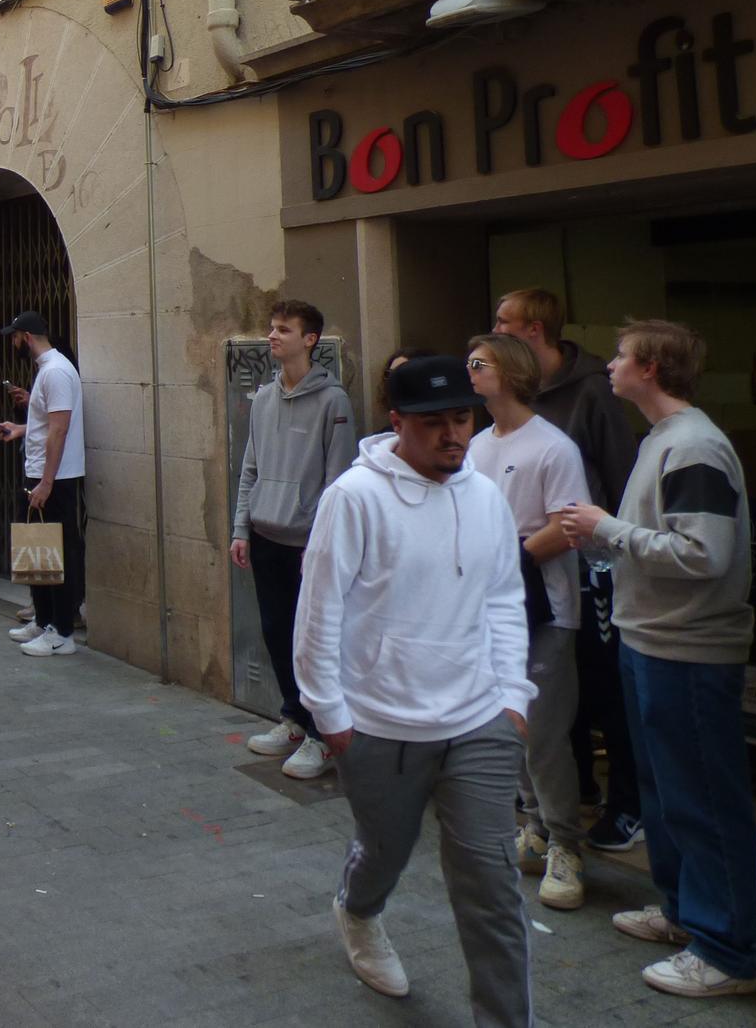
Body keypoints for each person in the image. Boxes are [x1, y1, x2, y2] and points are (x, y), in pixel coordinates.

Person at [295, 356, 534, 1026]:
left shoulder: (484, 494)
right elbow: (319, 614)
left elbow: (504, 600)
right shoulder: (355, 498)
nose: (454, 434)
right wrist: (333, 719)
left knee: (493, 889)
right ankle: (358, 912)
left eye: (462, 418)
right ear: (397, 422)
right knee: (385, 852)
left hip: (480, 722)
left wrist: (512, 697)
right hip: (378, 728)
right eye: (434, 423)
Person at [561, 320, 756, 1000]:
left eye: (620, 355)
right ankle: (684, 915)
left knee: (702, 799)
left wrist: (606, 529)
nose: (610, 365)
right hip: (652, 642)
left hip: (690, 651)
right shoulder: (662, 441)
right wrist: (600, 541)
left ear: (649, 367)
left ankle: (725, 951)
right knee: (668, 793)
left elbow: (706, 554)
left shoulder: (695, 447)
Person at [494, 287, 641, 851]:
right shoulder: (513, 400)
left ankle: (628, 805)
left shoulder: (590, 394)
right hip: (534, 579)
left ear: (534, 331)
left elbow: (621, 476)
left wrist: (611, 547)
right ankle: (574, 794)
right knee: (554, 703)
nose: (495, 330)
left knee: (607, 690)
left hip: (590, 568)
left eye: (504, 322)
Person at [465, 332, 591, 911]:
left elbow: (568, 525)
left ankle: (567, 844)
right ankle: (533, 825)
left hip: (544, 608)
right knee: (505, 723)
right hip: (489, 604)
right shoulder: (476, 444)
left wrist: (508, 559)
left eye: (480, 362)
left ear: (511, 372)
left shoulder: (552, 446)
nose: (469, 370)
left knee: (542, 732)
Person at [230, 300, 356, 779]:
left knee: (315, 641)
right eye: (271, 328)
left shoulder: (333, 401)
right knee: (275, 631)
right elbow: (250, 469)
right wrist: (241, 529)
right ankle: (295, 718)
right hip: (265, 536)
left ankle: (325, 736)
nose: (272, 336)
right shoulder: (262, 398)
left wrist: (321, 543)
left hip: (308, 544)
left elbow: (337, 480)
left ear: (310, 340)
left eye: (284, 329)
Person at [0, 312, 86, 657]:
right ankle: (44, 618)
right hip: (42, 473)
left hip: (55, 478)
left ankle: (61, 631)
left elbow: (60, 430)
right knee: (38, 549)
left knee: (55, 552)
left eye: (14, 337)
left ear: (27, 336)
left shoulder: (57, 371)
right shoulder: (48, 371)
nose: (13, 343)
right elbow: (47, 425)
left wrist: (46, 482)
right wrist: (19, 430)